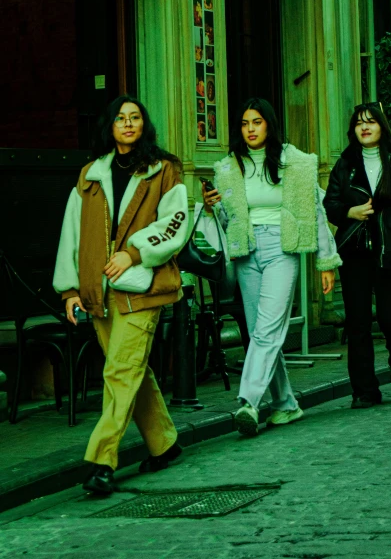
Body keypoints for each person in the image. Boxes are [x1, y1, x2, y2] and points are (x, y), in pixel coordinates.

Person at [53, 95, 189, 494]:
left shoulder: (164, 170)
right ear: (109, 127)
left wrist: (134, 253)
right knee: (132, 371)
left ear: (143, 125)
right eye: (119, 118)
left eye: (134, 118)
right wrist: (70, 290)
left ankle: (100, 460)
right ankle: (165, 444)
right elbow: (71, 235)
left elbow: (175, 224)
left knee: (118, 372)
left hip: (141, 289)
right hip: (99, 293)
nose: (127, 124)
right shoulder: (90, 176)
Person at [202, 97, 341, 437]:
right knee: (261, 332)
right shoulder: (229, 167)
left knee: (267, 329)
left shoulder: (296, 163)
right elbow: (228, 221)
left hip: (283, 248)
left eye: (257, 122)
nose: (250, 129)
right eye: (245, 123)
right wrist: (212, 207)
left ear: (270, 125)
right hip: (247, 251)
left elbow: (316, 212)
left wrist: (326, 262)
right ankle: (285, 405)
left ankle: (248, 401)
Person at [324, 102, 391, 409]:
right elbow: (330, 206)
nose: (364, 127)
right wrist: (349, 212)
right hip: (354, 252)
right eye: (358, 123)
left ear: (382, 126)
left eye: (370, 122)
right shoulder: (345, 164)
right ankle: (365, 390)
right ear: (353, 130)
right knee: (356, 324)